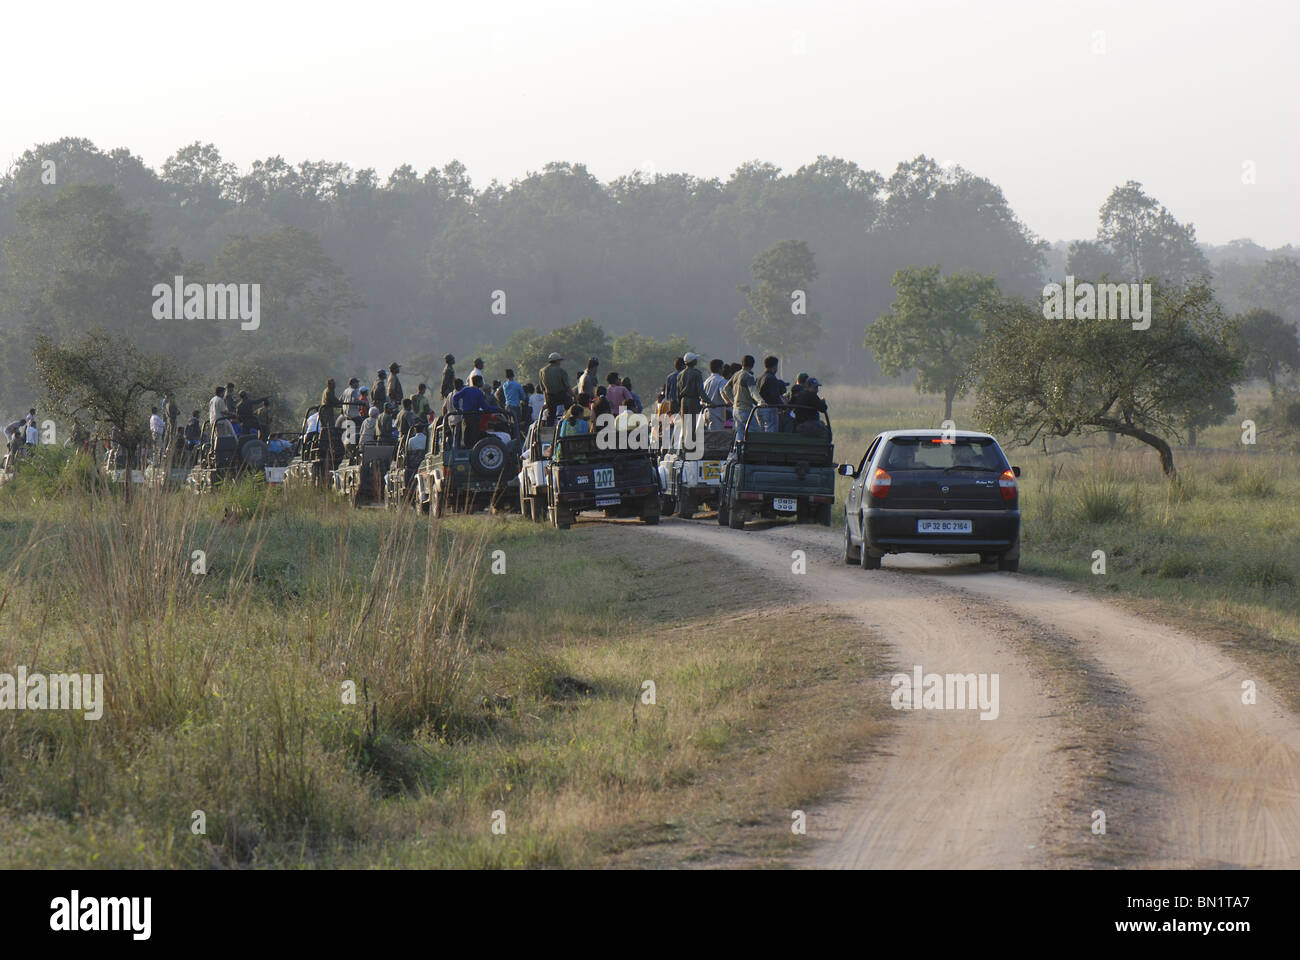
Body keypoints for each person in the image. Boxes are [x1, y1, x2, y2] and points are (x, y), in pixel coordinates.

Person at [727, 356, 758, 434]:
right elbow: (753, 391)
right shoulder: (749, 376)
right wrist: (761, 401)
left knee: (739, 433)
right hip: (745, 410)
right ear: (752, 365)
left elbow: (726, 388)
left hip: (736, 410)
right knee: (755, 431)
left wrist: (733, 401)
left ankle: (738, 446)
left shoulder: (736, 374)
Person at [538, 352, 571, 423]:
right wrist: (574, 396)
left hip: (550, 397)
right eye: (559, 361)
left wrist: (546, 401)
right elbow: (567, 386)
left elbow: (543, 389)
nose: (560, 363)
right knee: (570, 408)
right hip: (562, 395)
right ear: (556, 361)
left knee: (551, 415)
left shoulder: (542, 371)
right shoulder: (561, 371)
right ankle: (568, 422)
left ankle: (549, 429)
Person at [755, 356, 785, 432]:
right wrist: (783, 406)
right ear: (774, 366)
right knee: (771, 431)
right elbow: (774, 396)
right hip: (769, 408)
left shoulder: (758, 378)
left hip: (758, 408)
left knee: (761, 431)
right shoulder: (771, 378)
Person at [702, 358, 728, 429]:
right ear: (719, 369)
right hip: (717, 415)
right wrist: (728, 402)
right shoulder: (721, 380)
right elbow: (722, 392)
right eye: (722, 368)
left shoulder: (706, 381)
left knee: (709, 437)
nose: (723, 370)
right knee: (717, 437)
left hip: (706, 413)